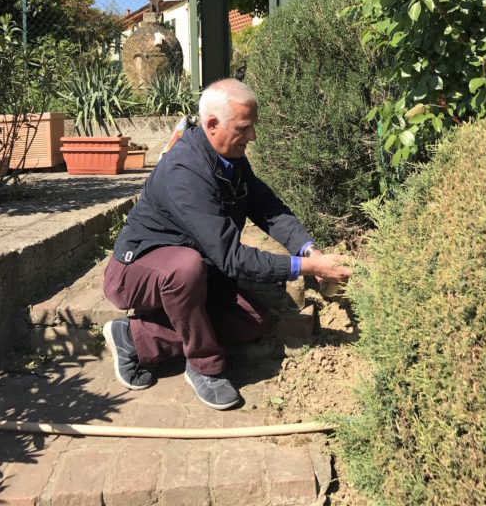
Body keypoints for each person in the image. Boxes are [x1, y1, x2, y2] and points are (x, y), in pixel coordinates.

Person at [102, 78, 355, 410]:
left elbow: (268, 208)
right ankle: (204, 366)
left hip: (199, 271)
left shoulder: (230, 159)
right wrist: (306, 269)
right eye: (245, 128)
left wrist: (309, 251)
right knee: (185, 268)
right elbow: (231, 257)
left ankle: (135, 337)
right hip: (137, 271)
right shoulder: (185, 171)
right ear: (212, 125)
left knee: (253, 322)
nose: (252, 136)